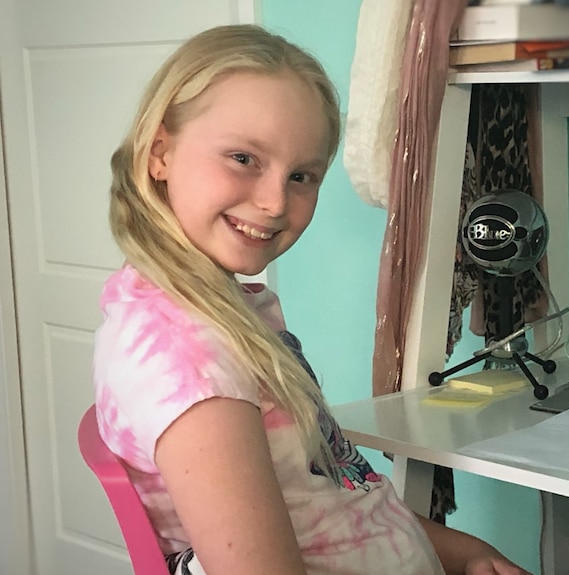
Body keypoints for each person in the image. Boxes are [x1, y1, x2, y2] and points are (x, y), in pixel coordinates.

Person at [93, 23, 532, 575]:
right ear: (160, 152)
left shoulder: (225, 310)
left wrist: (465, 553)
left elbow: (332, 497)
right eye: (243, 158)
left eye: (302, 175)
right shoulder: (188, 358)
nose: (276, 201)